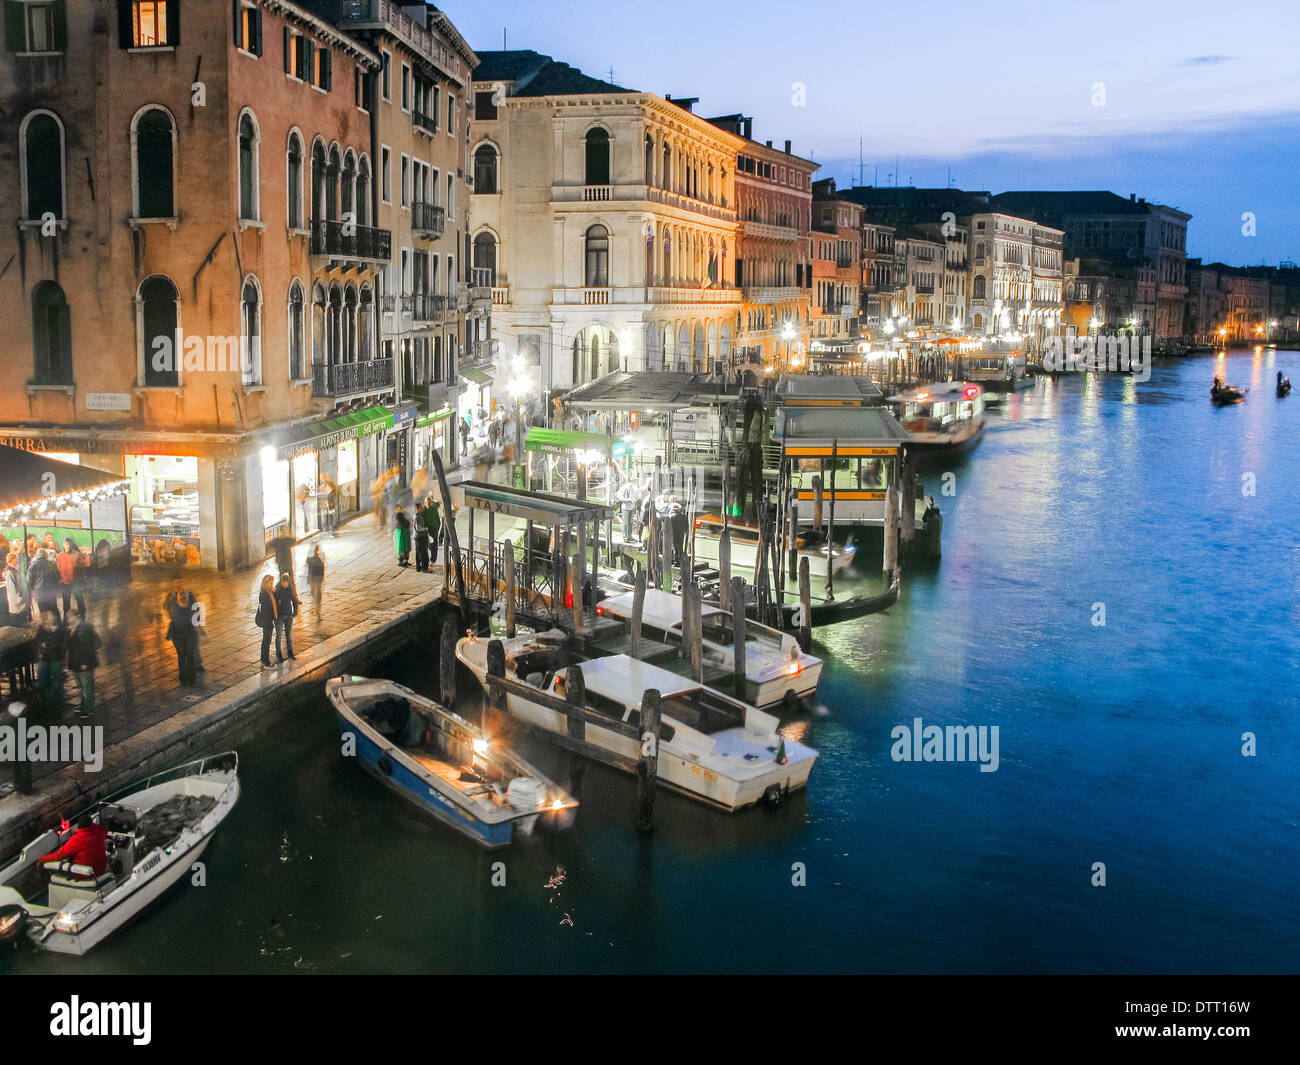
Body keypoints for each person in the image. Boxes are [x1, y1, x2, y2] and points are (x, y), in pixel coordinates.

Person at [37, 813, 108, 880]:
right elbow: (102, 830)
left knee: (58, 868)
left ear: (79, 826)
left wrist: (42, 859)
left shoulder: (77, 840)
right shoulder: (100, 831)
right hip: (100, 871)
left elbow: (59, 855)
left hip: (82, 876)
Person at [166, 582, 201, 685]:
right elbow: (169, 611)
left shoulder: (190, 600)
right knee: (182, 656)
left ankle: (190, 678)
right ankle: (185, 678)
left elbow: (197, 615)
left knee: (188, 656)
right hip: (178, 635)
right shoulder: (172, 601)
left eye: (184, 597)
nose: (182, 598)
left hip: (188, 634)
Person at [66, 614, 101, 719]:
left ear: (77, 616)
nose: (68, 619)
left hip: (84, 663)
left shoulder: (84, 628)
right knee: (81, 686)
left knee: (86, 687)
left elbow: (86, 647)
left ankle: (88, 709)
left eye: (70, 617)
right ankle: (83, 704)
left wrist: (85, 662)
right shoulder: (71, 629)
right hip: (76, 663)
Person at [34, 610, 68, 711]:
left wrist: (48, 644)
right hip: (44, 659)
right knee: (43, 681)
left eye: (51, 617)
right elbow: (36, 642)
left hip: (55, 658)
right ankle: (46, 701)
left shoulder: (60, 629)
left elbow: (62, 643)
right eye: (48, 617)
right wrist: (40, 646)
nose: (50, 619)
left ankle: (57, 704)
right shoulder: (41, 629)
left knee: (56, 682)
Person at [27, 548, 60, 621]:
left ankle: (46, 628)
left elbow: (29, 581)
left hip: (39, 592)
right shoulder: (52, 564)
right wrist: (57, 588)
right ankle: (59, 626)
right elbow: (57, 577)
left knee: (43, 611)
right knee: (54, 609)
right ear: (46, 555)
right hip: (51, 590)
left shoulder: (32, 567)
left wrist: (31, 588)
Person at [57, 537, 86, 619]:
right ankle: (66, 619)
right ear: (63, 544)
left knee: (80, 600)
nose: (68, 545)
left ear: (72, 544)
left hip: (75, 582)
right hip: (65, 583)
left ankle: (83, 617)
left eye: (69, 544)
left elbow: (82, 568)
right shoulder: (60, 556)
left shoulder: (77, 555)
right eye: (66, 544)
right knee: (66, 602)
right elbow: (59, 568)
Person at [273, 571, 299, 662]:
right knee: (279, 636)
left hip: (288, 615)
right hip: (279, 616)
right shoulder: (277, 590)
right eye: (283, 582)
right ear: (281, 582)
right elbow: (274, 603)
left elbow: (295, 601)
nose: (285, 584)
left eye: (286, 582)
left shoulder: (290, 590)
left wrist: (294, 613)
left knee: (288, 636)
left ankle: (290, 653)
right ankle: (279, 656)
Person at [255, 574, 278, 668]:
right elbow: (266, 609)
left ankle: (263, 659)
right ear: (266, 582)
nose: (272, 583)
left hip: (268, 620)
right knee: (266, 641)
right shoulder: (265, 594)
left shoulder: (268, 591)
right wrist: (272, 619)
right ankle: (266, 662)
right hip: (267, 621)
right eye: (270, 582)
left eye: (272, 582)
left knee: (266, 640)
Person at [3, 551, 29, 627]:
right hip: (17, 604)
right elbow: (13, 589)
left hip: (20, 603)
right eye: (15, 558)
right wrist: (22, 597)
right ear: (11, 560)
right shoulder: (10, 572)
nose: (17, 560)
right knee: (17, 625)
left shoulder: (15, 570)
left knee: (22, 623)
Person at [305, 545, 326, 622]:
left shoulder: (310, 560)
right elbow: (322, 572)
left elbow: (309, 569)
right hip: (318, 580)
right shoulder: (320, 560)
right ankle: (318, 612)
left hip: (313, 580)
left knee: (314, 593)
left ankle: (315, 609)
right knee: (318, 596)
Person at [422, 496, 441, 564]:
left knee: (434, 546)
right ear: (425, 503)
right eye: (428, 502)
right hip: (425, 531)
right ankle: (425, 561)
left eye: (430, 502)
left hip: (434, 530)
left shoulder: (434, 510)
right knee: (425, 546)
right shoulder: (423, 511)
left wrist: (437, 527)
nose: (429, 503)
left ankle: (433, 560)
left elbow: (438, 520)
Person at [413, 503, 431, 572]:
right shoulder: (418, 517)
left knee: (418, 553)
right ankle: (424, 568)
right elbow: (419, 528)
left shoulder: (416, 516)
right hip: (420, 537)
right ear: (418, 508)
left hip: (417, 536)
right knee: (423, 553)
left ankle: (418, 567)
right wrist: (426, 528)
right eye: (421, 507)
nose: (422, 508)